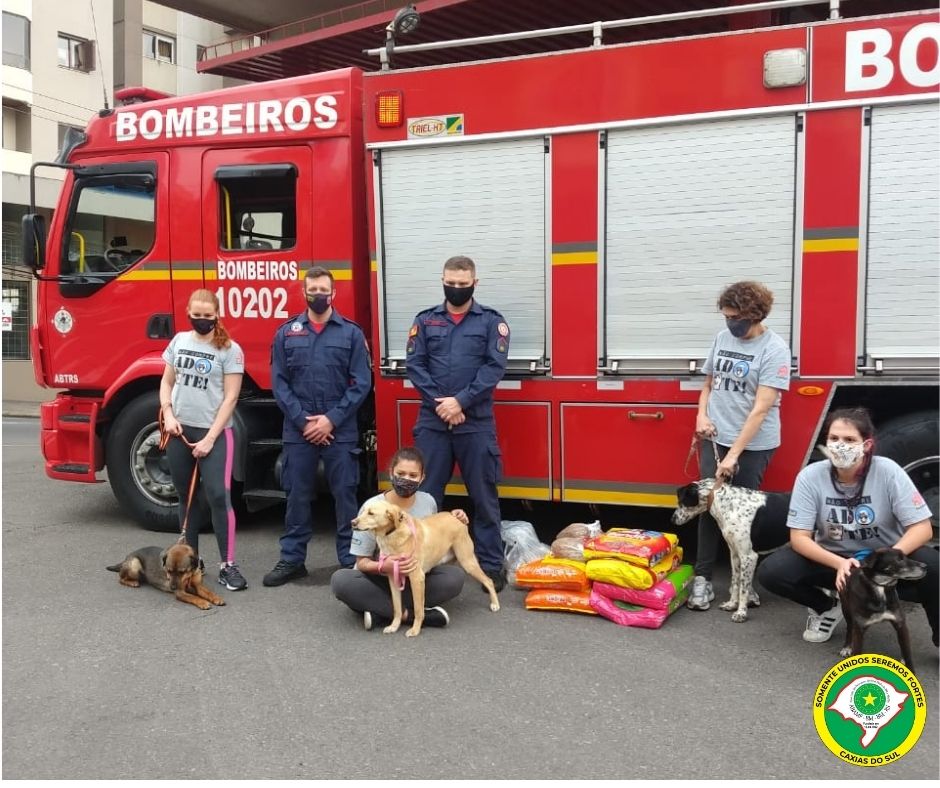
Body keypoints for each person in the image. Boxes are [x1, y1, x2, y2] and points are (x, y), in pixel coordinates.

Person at [757, 407, 938, 647]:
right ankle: (826, 607)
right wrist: (840, 563)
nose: (840, 445)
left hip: (884, 558)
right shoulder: (810, 476)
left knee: (934, 566)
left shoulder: (888, 472)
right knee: (773, 572)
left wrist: (890, 558)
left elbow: (922, 528)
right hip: (835, 558)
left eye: (850, 439)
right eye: (834, 439)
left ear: (867, 444)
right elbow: (799, 537)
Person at [406, 255, 509, 592]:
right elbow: (415, 365)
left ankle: (490, 567)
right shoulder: (426, 321)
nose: (456, 289)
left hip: (474, 423)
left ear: (474, 284)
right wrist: (443, 404)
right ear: (443, 280)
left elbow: (493, 369)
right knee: (425, 498)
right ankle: (421, 562)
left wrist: (460, 402)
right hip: (434, 423)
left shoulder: (492, 322)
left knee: (484, 498)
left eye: (463, 284)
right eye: (451, 283)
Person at [264, 266, 372, 586]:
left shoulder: (351, 333)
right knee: (296, 494)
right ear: (304, 292)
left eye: (324, 290)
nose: (318, 296)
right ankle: (293, 559)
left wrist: (330, 420)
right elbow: (279, 384)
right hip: (299, 430)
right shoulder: (286, 333)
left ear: (333, 293)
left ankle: (351, 560)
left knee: (345, 495)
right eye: (313, 291)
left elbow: (361, 383)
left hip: (340, 428)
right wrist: (303, 421)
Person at [688, 280, 791, 611]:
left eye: (735, 316)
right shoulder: (722, 338)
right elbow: (708, 385)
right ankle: (702, 579)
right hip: (715, 438)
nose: (730, 322)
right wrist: (701, 416)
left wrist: (733, 456)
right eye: (726, 316)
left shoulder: (774, 349)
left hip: (753, 445)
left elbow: (761, 408)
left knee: (745, 518)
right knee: (709, 508)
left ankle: (746, 583)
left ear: (754, 314)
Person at [159, 288, 246, 591]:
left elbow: (231, 397)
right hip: (180, 432)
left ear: (217, 316)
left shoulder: (230, 349)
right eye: (196, 316)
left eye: (207, 316)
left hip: (216, 434)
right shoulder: (179, 341)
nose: (201, 321)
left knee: (219, 497)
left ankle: (228, 565)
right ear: (188, 313)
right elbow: (166, 381)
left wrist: (211, 438)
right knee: (186, 498)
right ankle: (191, 563)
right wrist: (168, 415)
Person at [331, 446, 470, 629]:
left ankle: (379, 610)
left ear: (422, 478)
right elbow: (362, 562)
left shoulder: (428, 501)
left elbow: (434, 540)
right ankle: (413, 615)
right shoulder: (371, 507)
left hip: (415, 575)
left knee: (455, 577)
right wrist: (384, 566)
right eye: (401, 473)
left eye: (413, 476)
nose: (406, 479)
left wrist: (455, 519)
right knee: (341, 581)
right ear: (391, 473)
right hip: (380, 577)